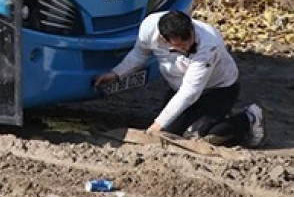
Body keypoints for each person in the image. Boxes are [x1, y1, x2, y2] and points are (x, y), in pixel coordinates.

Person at [93, 10, 265, 147]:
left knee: (199, 136)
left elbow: (190, 92)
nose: (187, 46)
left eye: (188, 39)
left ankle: (249, 117)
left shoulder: (209, 44)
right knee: (170, 133)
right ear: (164, 39)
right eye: (179, 45)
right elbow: (140, 54)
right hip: (178, 88)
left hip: (218, 89)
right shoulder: (149, 28)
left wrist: (156, 126)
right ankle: (210, 118)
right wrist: (117, 73)